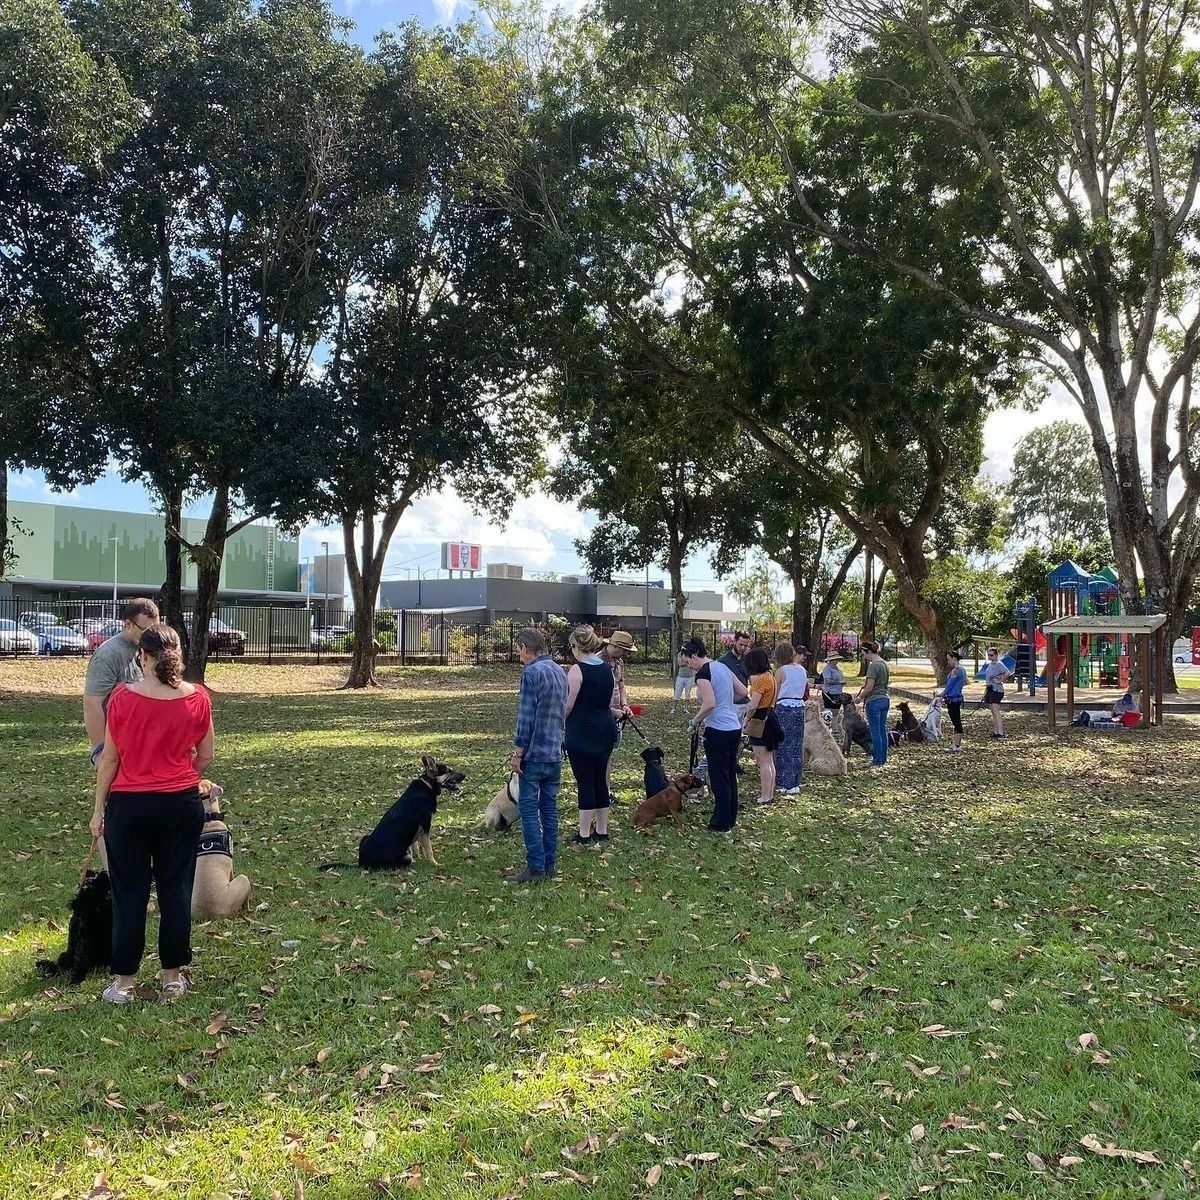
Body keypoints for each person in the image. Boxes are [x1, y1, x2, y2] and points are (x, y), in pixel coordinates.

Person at [90, 623, 212, 1004]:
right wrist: (182, 776)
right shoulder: (198, 698)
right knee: (176, 889)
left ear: (142, 656)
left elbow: (110, 759)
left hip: (130, 807)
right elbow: (206, 756)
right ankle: (172, 979)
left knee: (130, 893)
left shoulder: (122, 699)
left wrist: (98, 809)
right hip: (180, 805)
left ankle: (124, 984)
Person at [507, 628, 568, 883]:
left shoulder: (531, 673)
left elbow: (526, 717)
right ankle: (549, 863)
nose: (519, 656)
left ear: (525, 648)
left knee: (529, 810)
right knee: (549, 809)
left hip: (533, 754)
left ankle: (535, 867)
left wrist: (518, 753)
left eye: (518, 650)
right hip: (554, 752)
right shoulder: (560, 671)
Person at [84, 598, 161, 767]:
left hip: (147, 748)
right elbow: (92, 704)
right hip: (118, 750)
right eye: (146, 630)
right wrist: (100, 752)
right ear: (127, 624)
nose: (152, 635)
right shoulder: (108, 654)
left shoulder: (151, 650)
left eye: (155, 629)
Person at [684, 636, 748, 832]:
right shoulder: (722, 666)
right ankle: (730, 817)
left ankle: (720, 822)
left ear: (694, 656)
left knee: (718, 776)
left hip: (718, 729)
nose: (689, 666)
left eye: (688, 662)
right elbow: (742, 691)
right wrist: (726, 701)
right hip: (734, 727)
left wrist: (694, 721)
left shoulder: (704, 673)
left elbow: (709, 703)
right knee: (729, 774)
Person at [564, 626, 619, 845]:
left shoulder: (576, 670)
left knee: (585, 781)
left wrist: (559, 722)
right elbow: (609, 702)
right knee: (600, 780)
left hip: (581, 732)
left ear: (577, 646)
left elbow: (568, 705)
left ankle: (584, 833)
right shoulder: (607, 669)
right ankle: (602, 830)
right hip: (604, 730)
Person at [742, 647, 783, 804]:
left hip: (760, 720)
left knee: (762, 760)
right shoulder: (770, 676)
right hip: (770, 717)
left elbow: (753, 704)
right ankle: (769, 793)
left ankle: (765, 795)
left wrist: (746, 720)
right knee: (769, 759)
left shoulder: (761, 680)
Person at [599, 630, 636, 802]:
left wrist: (625, 705)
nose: (625, 654)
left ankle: (605, 792)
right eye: (624, 650)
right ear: (615, 646)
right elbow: (595, 694)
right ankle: (601, 793)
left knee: (609, 755)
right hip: (602, 716)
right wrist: (611, 710)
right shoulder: (598, 662)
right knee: (601, 755)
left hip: (616, 716)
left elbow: (621, 686)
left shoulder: (618, 662)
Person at [772, 642, 807, 795]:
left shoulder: (781, 671)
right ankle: (794, 782)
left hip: (784, 708)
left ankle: (783, 782)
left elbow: (775, 693)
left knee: (783, 745)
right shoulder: (802, 670)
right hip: (799, 707)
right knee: (796, 745)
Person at [854, 641, 890, 767]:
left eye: (864, 654)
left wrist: (859, 697)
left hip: (874, 701)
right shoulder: (884, 664)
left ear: (868, 652)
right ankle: (883, 758)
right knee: (882, 730)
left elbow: (869, 687)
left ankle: (877, 760)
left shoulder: (873, 665)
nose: (864, 657)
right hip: (885, 699)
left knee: (875, 732)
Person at [938, 650, 968, 752]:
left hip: (953, 699)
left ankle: (957, 745)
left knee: (956, 722)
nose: (948, 662)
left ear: (954, 659)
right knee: (956, 721)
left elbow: (949, 686)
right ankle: (956, 743)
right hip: (957, 698)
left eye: (949, 659)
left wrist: (941, 696)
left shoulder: (955, 671)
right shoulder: (963, 670)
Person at [982, 647, 1013, 738]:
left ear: (996, 655)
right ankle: (995, 732)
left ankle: (1000, 732)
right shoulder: (990, 665)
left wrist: (1001, 680)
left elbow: (1007, 672)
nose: (990, 657)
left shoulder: (999, 664)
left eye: (991, 655)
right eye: (988, 655)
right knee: (993, 711)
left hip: (997, 690)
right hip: (990, 690)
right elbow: (988, 681)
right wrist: (984, 693)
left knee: (996, 711)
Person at [820, 651, 846, 727]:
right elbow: (828, 681)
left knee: (836, 711)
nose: (837, 661)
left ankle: (834, 728)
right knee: (829, 711)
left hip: (838, 692)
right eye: (836, 659)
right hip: (830, 693)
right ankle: (827, 727)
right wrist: (839, 682)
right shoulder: (827, 669)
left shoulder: (837, 669)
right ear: (831, 660)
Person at [672, 648, 696, 713]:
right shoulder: (680, 654)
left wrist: (686, 661)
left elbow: (694, 663)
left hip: (690, 676)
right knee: (677, 692)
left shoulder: (692, 654)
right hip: (681, 676)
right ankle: (674, 708)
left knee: (687, 693)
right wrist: (688, 662)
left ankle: (686, 709)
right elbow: (680, 663)